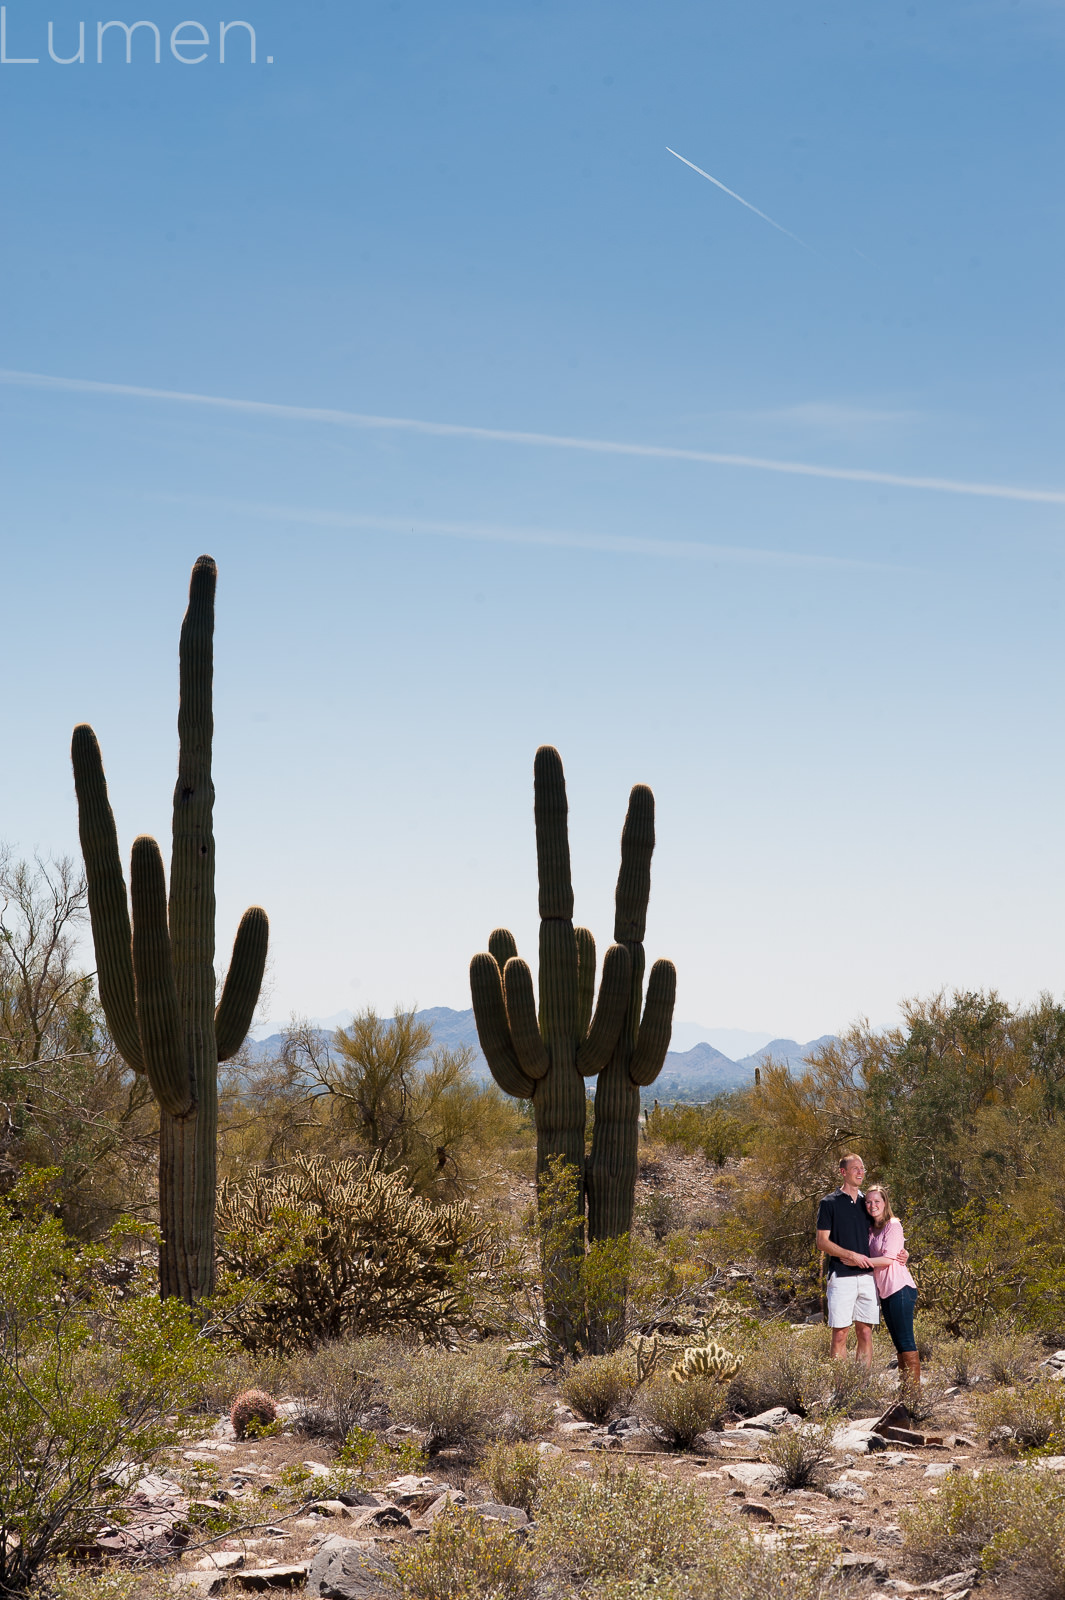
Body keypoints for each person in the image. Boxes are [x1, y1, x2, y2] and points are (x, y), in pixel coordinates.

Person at [815, 1152, 878, 1368]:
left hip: (867, 1277)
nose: (861, 1172)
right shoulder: (829, 1203)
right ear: (843, 1172)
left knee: (866, 1333)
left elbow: (883, 1231)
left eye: (862, 1168)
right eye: (855, 1169)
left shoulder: (867, 1203)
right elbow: (822, 1242)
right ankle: (841, 1389)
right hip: (841, 1277)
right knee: (840, 1334)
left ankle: (863, 1388)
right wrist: (850, 1255)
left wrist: (901, 1251)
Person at [863, 1184, 920, 1387]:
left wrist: (858, 1260)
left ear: (885, 1203)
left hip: (900, 1289)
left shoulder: (893, 1225)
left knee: (905, 1340)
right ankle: (906, 1391)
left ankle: (913, 1394)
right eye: (868, 1202)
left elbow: (887, 1259)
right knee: (898, 1343)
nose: (872, 1205)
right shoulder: (869, 1228)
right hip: (885, 1292)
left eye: (877, 1201)